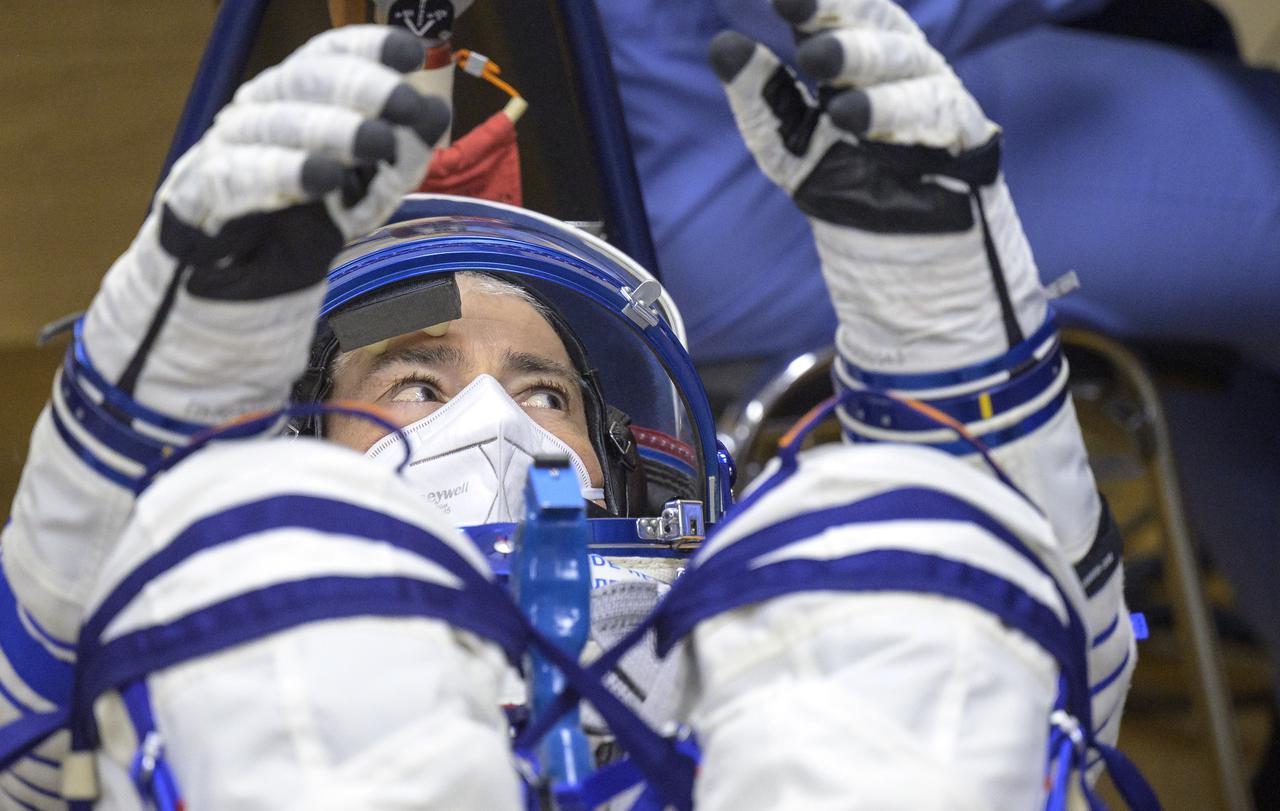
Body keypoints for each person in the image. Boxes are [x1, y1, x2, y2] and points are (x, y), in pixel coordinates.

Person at [0, 4, 1148, 808]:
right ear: (301, 434)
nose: (493, 422)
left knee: (894, 554)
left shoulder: (762, 692)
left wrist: (942, 318)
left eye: (545, 390)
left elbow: (1036, 693)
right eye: (416, 381)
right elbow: (31, 734)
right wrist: (174, 387)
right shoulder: (201, 683)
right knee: (267, 596)